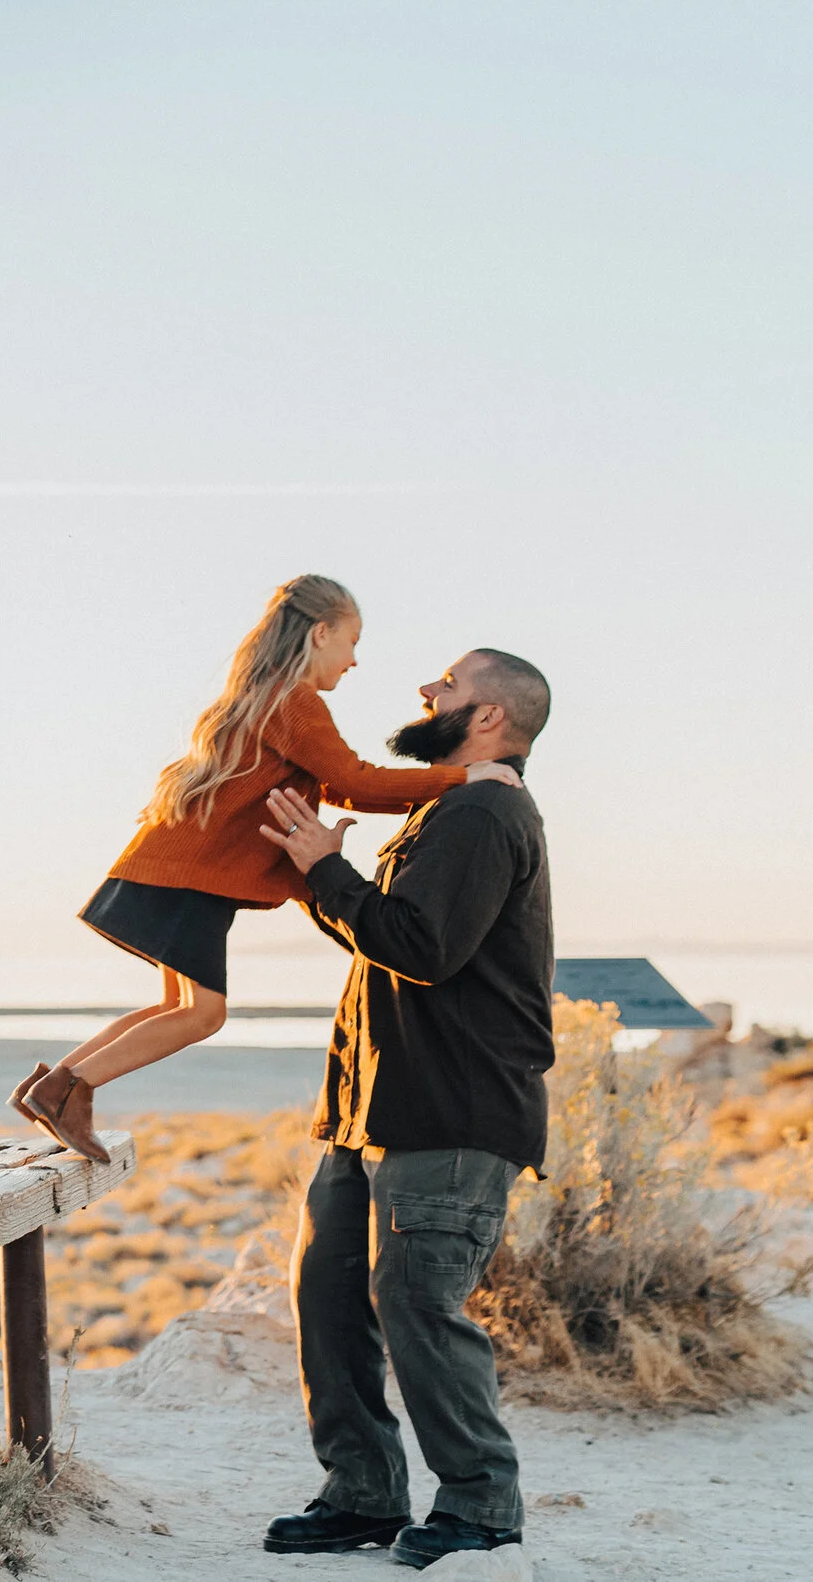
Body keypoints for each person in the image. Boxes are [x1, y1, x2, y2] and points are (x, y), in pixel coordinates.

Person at [12, 576, 518, 1162]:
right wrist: (462, 778)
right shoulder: (294, 700)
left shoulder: (265, 696)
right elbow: (354, 780)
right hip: (188, 879)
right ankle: (65, 1092)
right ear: (320, 632)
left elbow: (338, 788)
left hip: (177, 874)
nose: (355, 660)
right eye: (351, 642)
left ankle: (55, 1087)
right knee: (203, 1015)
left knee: (178, 1010)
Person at [254, 648, 555, 1569]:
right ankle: (362, 1494)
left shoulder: (481, 809)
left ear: (493, 717)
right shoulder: (445, 810)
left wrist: (324, 869)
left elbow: (421, 946)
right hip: (372, 1112)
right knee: (332, 1299)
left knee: (418, 1301)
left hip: (451, 1114)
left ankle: (479, 1505)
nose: (429, 688)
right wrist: (322, 874)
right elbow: (387, 940)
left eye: (452, 684)